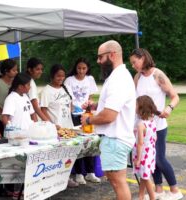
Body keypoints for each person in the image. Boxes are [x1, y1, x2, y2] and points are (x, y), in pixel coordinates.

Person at [81, 40, 136, 200]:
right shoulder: (117, 76)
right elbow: (115, 105)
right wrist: (96, 105)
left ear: (112, 55)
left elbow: (109, 116)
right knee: (116, 181)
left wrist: (88, 121)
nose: (98, 61)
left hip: (115, 138)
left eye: (100, 57)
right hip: (116, 138)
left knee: (118, 182)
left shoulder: (118, 79)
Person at [130, 48, 182, 200]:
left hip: (157, 126)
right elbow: (133, 98)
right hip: (142, 125)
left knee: (159, 158)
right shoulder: (137, 77)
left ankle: (174, 190)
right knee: (150, 159)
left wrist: (169, 107)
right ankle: (158, 189)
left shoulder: (158, 75)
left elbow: (175, 96)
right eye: (132, 63)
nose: (133, 65)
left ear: (143, 58)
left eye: (135, 62)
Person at [40, 64, 78, 187]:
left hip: (68, 127)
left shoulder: (64, 88)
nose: (61, 78)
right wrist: (51, 125)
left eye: (63, 76)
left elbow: (69, 104)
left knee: (68, 154)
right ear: (52, 76)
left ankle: (65, 178)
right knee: (57, 156)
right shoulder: (47, 91)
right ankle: (55, 180)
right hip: (57, 129)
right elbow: (43, 110)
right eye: (58, 76)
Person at [64, 58, 101, 184]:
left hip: (87, 115)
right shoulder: (69, 80)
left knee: (89, 142)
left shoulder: (90, 79)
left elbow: (90, 97)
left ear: (87, 69)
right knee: (78, 143)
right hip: (74, 115)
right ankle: (79, 173)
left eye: (84, 68)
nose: (81, 71)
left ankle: (90, 172)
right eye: (79, 68)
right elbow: (68, 98)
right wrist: (73, 108)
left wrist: (89, 108)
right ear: (75, 68)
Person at [1, 73, 37, 200]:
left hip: (28, 137)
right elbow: (5, 117)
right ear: (20, 86)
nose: (30, 88)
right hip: (18, 139)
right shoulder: (11, 98)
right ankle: (15, 191)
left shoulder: (25, 96)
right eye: (28, 85)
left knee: (29, 164)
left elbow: (32, 114)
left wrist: (36, 125)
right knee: (18, 166)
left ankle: (27, 190)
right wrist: (12, 131)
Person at [133, 95, 157, 200]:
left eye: (136, 105)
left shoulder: (140, 125)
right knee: (144, 176)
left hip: (142, 155)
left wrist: (138, 159)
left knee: (146, 178)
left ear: (141, 109)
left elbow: (140, 144)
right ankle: (141, 196)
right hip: (150, 152)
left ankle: (153, 198)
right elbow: (154, 138)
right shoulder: (152, 122)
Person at [0, 59, 18, 136]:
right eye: (14, 70)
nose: (16, 72)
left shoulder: (15, 83)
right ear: (6, 71)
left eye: (16, 70)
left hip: (10, 119)